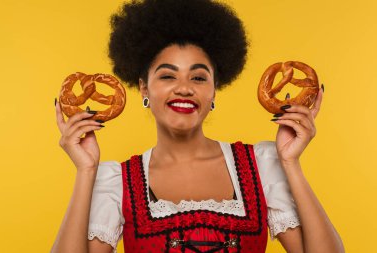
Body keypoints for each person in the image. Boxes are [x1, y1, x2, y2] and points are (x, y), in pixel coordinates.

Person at [51, 0, 344, 252]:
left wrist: (290, 162)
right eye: (167, 76)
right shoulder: (116, 182)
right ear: (143, 88)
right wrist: (85, 171)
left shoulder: (262, 165)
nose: (184, 89)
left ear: (214, 90)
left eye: (199, 77)